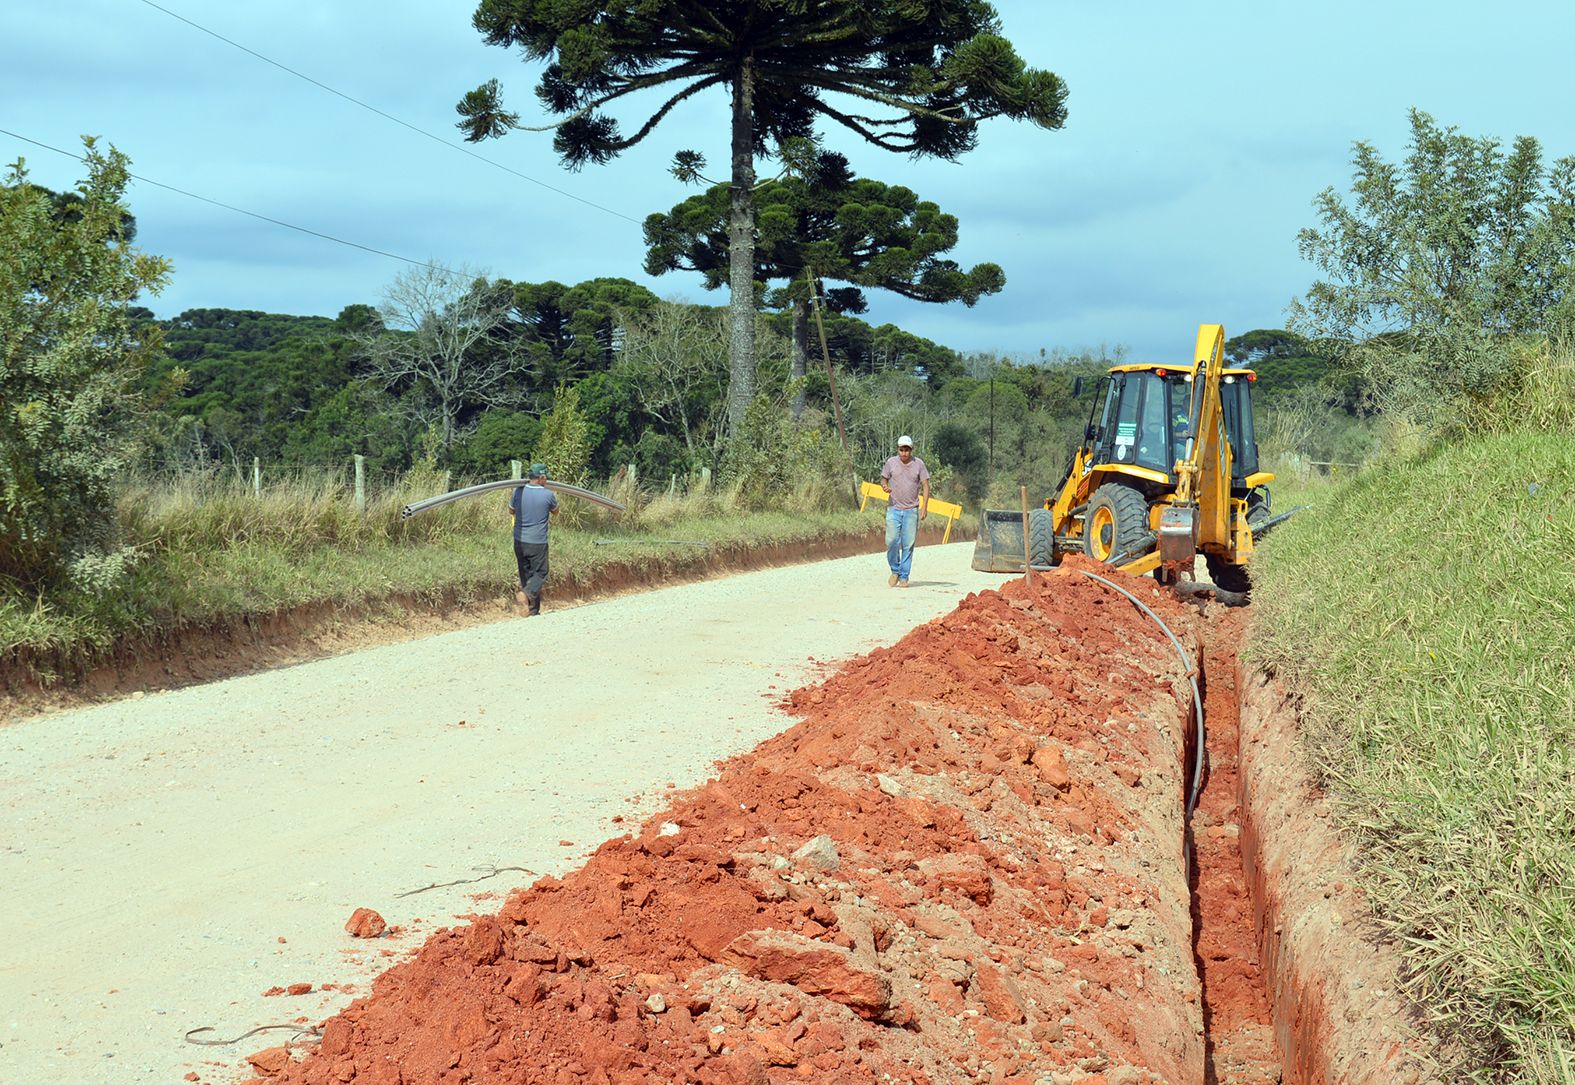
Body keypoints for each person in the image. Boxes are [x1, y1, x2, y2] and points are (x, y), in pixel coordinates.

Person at [506, 463, 559, 616]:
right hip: (538, 541)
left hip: (519, 541)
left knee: (526, 575)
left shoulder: (518, 492)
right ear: (541, 478)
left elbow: (511, 510)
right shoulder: (548, 495)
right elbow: (556, 512)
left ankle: (532, 610)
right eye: (546, 477)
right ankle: (526, 594)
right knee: (541, 573)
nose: (547, 480)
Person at [880, 435, 930, 587]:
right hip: (894, 508)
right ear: (898, 449)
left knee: (908, 544)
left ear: (911, 450)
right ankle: (895, 570)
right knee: (891, 541)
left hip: (911, 510)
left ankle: (904, 577)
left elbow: (926, 486)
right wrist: (884, 485)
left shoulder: (918, 464)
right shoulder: (891, 462)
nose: (904, 453)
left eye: (907, 450)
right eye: (901, 450)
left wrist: (924, 507)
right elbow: (883, 478)